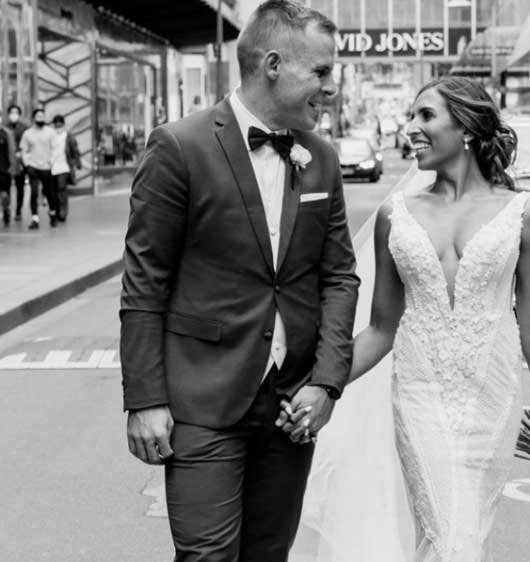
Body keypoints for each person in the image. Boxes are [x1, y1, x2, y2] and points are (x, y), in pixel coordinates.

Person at [283, 77, 530, 561]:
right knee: (452, 536)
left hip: (492, 402)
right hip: (419, 396)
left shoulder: (524, 217)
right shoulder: (394, 215)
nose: (411, 129)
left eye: (426, 116)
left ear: (465, 127)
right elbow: (382, 328)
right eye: (411, 117)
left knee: (459, 534)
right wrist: (321, 383)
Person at [119, 1, 359, 560]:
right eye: (320, 72)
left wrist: (325, 383)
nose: (331, 87)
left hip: (291, 407)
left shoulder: (320, 157)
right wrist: (145, 398)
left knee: (267, 556)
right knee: (207, 556)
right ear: (273, 64)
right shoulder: (179, 146)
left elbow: (339, 277)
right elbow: (144, 281)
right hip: (202, 401)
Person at [20, 108, 58, 229]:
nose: (40, 118)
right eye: (38, 116)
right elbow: (23, 150)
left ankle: (52, 214)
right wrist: (27, 164)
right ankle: (35, 218)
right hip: (33, 167)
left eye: (42, 116)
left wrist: (52, 162)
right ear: (33, 118)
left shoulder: (50, 132)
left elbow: (55, 149)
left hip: (47, 167)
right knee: (34, 192)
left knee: (49, 193)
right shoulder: (28, 133)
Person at [49, 114, 81, 222]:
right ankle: (56, 210)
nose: (58, 127)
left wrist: (77, 163)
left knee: (62, 189)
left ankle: (63, 212)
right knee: (53, 191)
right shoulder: (50, 136)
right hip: (51, 167)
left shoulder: (69, 136)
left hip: (64, 167)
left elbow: (75, 151)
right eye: (56, 125)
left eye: (60, 124)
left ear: (63, 124)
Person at [5, 104, 28, 222]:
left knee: (20, 187)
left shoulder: (24, 128)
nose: (13, 115)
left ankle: (18, 210)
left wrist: (21, 154)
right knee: (6, 187)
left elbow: (28, 144)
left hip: (20, 162)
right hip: (7, 162)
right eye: (11, 112)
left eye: (16, 112)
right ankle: (6, 208)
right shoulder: (5, 127)